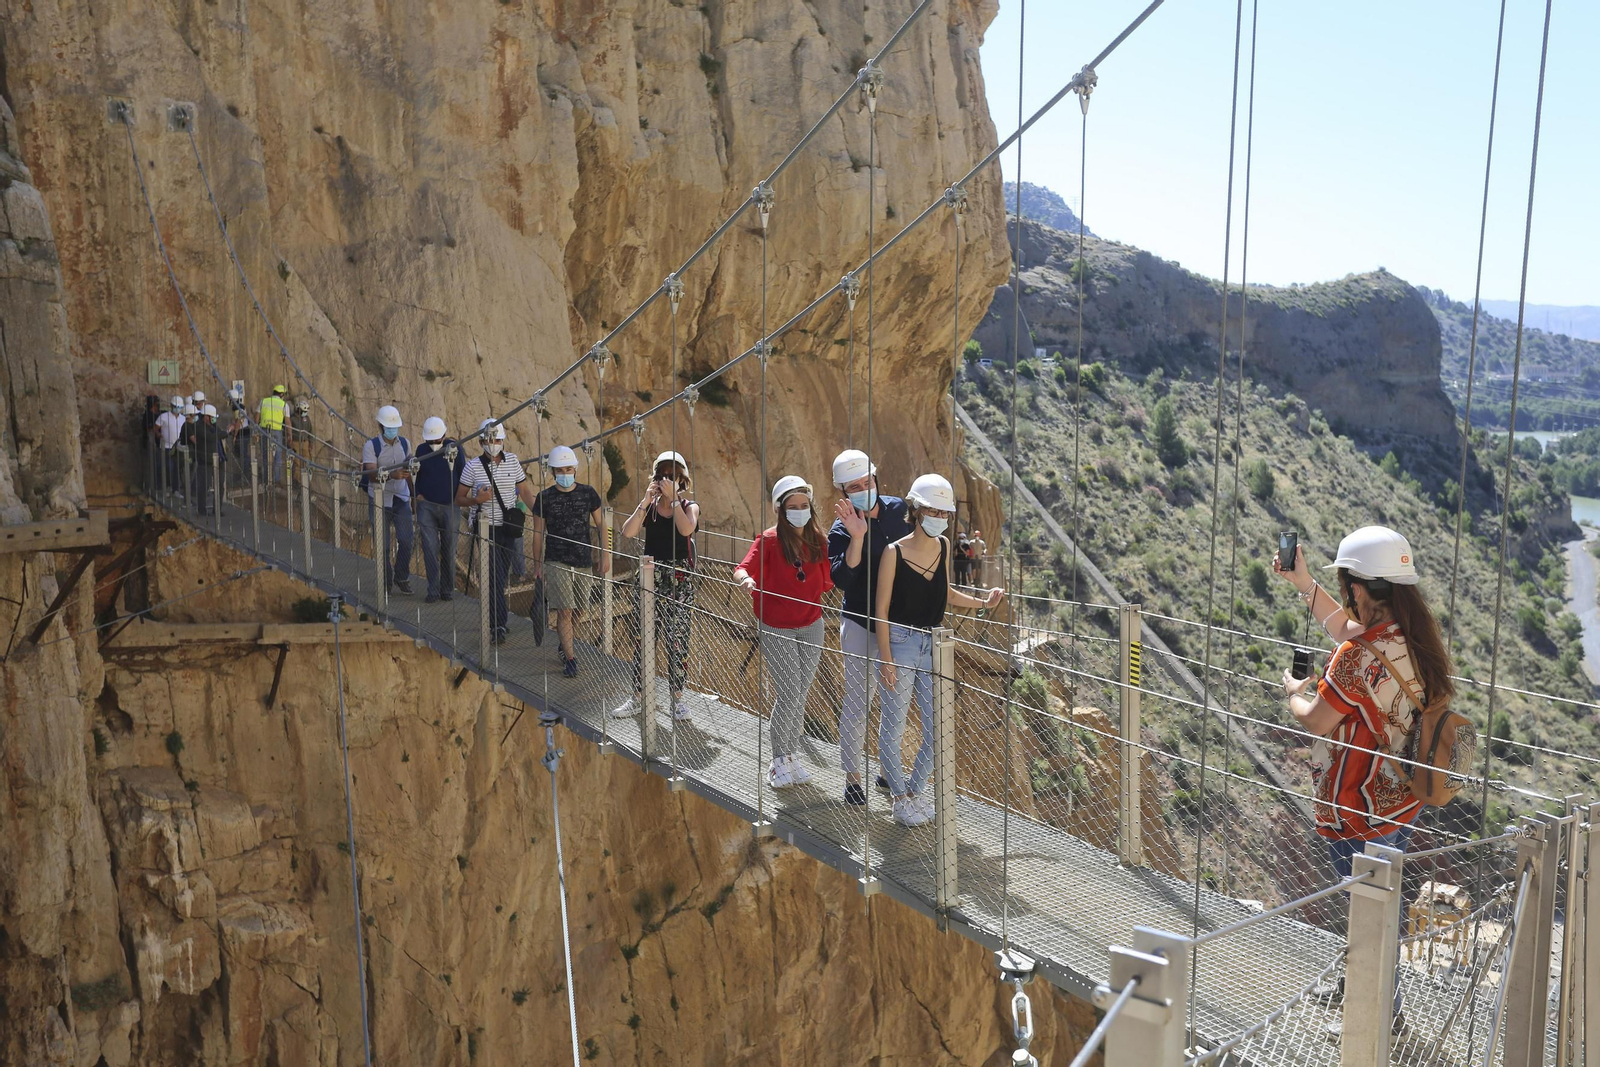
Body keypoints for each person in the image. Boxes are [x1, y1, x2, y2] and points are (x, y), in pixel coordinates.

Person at [1275, 525, 1453, 873]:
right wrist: (1304, 583)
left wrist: (1295, 694)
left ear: (1356, 589)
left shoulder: (1355, 656)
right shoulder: (1411, 632)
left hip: (1362, 811)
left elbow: (1315, 719)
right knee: (1384, 903)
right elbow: (1343, 626)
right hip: (1404, 796)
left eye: (1344, 586)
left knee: (1364, 912)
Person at [874, 474, 1004, 826]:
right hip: (899, 644)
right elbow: (880, 611)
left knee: (939, 728)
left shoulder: (944, 546)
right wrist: (885, 660)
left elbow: (945, 593)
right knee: (894, 726)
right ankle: (899, 799)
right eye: (933, 510)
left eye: (944, 513)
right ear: (916, 510)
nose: (940, 518)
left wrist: (982, 602)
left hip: (933, 643)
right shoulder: (893, 552)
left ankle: (914, 793)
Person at [735, 475, 834, 789]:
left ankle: (791, 758)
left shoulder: (818, 541)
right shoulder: (769, 540)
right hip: (777, 625)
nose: (800, 511)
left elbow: (829, 578)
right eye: (793, 507)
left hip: (811, 624)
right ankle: (779, 762)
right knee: (790, 692)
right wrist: (746, 581)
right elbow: (742, 568)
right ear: (781, 510)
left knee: (801, 693)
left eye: (804, 505)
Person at [827, 448, 913, 805]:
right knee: (859, 701)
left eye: (867, 482)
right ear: (843, 493)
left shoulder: (901, 511)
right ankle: (852, 777)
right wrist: (858, 537)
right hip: (862, 623)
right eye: (854, 487)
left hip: (899, 625)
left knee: (895, 705)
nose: (863, 489)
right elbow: (843, 579)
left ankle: (887, 771)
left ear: (876, 479)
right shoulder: (840, 530)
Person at [612, 451, 700, 722]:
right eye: (662, 476)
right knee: (643, 640)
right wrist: (645, 501)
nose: (666, 481)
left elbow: (686, 530)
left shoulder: (688, 506)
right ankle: (638, 697)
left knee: (678, 641)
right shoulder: (649, 509)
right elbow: (627, 532)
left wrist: (673, 500)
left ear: (682, 480)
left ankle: (677, 699)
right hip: (650, 577)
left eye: (672, 476)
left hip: (679, 580)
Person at [456, 419, 535, 643]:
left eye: (497, 439)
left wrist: (539, 513)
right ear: (481, 441)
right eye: (489, 440)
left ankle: (497, 621)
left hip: (508, 528)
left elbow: (524, 491)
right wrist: (476, 499)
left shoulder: (513, 462)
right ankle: (498, 624)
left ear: (503, 440)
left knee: (501, 575)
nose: (493, 443)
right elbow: (459, 498)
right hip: (485, 527)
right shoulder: (472, 466)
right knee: (495, 576)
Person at [531, 445, 607, 677]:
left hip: (583, 559)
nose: (564, 473)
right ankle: (571, 659)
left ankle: (565, 645)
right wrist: (537, 566)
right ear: (553, 472)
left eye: (568, 468)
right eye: (559, 470)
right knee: (565, 610)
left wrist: (606, 555)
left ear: (575, 469)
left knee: (580, 609)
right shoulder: (544, 498)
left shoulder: (588, 493)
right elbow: (537, 533)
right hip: (556, 560)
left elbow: (602, 525)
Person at [361, 405, 414, 595]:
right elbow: (371, 474)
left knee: (407, 540)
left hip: (401, 498)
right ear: (381, 426)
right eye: (389, 426)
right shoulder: (371, 446)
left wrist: (413, 496)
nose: (393, 430)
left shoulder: (406, 444)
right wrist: (392, 475)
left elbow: (408, 472)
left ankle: (401, 576)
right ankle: (385, 583)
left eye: (395, 427)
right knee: (382, 545)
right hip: (379, 499)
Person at [414, 416, 465, 604]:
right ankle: (433, 591)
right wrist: (417, 493)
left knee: (449, 549)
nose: (434, 443)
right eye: (431, 441)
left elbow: (463, 473)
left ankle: (447, 589)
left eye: (437, 440)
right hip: (426, 506)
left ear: (444, 435)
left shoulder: (455, 448)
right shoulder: (420, 450)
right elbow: (415, 474)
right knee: (429, 548)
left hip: (450, 506)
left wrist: (459, 498)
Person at [257, 384, 289, 483]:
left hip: (264, 430)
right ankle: (276, 480)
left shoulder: (263, 401)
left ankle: (267, 479)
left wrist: (256, 428)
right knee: (277, 456)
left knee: (265, 455)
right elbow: (288, 422)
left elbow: (257, 416)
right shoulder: (284, 404)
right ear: (281, 394)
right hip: (277, 432)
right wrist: (290, 435)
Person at [152, 395, 184, 493]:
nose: (177, 408)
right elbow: (155, 428)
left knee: (177, 469)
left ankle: (175, 489)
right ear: (171, 405)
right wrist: (159, 435)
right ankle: (164, 488)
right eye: (175, 406)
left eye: (179, 407)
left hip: (178, 447)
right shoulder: (164, 416)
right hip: (166, 447)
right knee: (167, 468)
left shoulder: (183, 418)